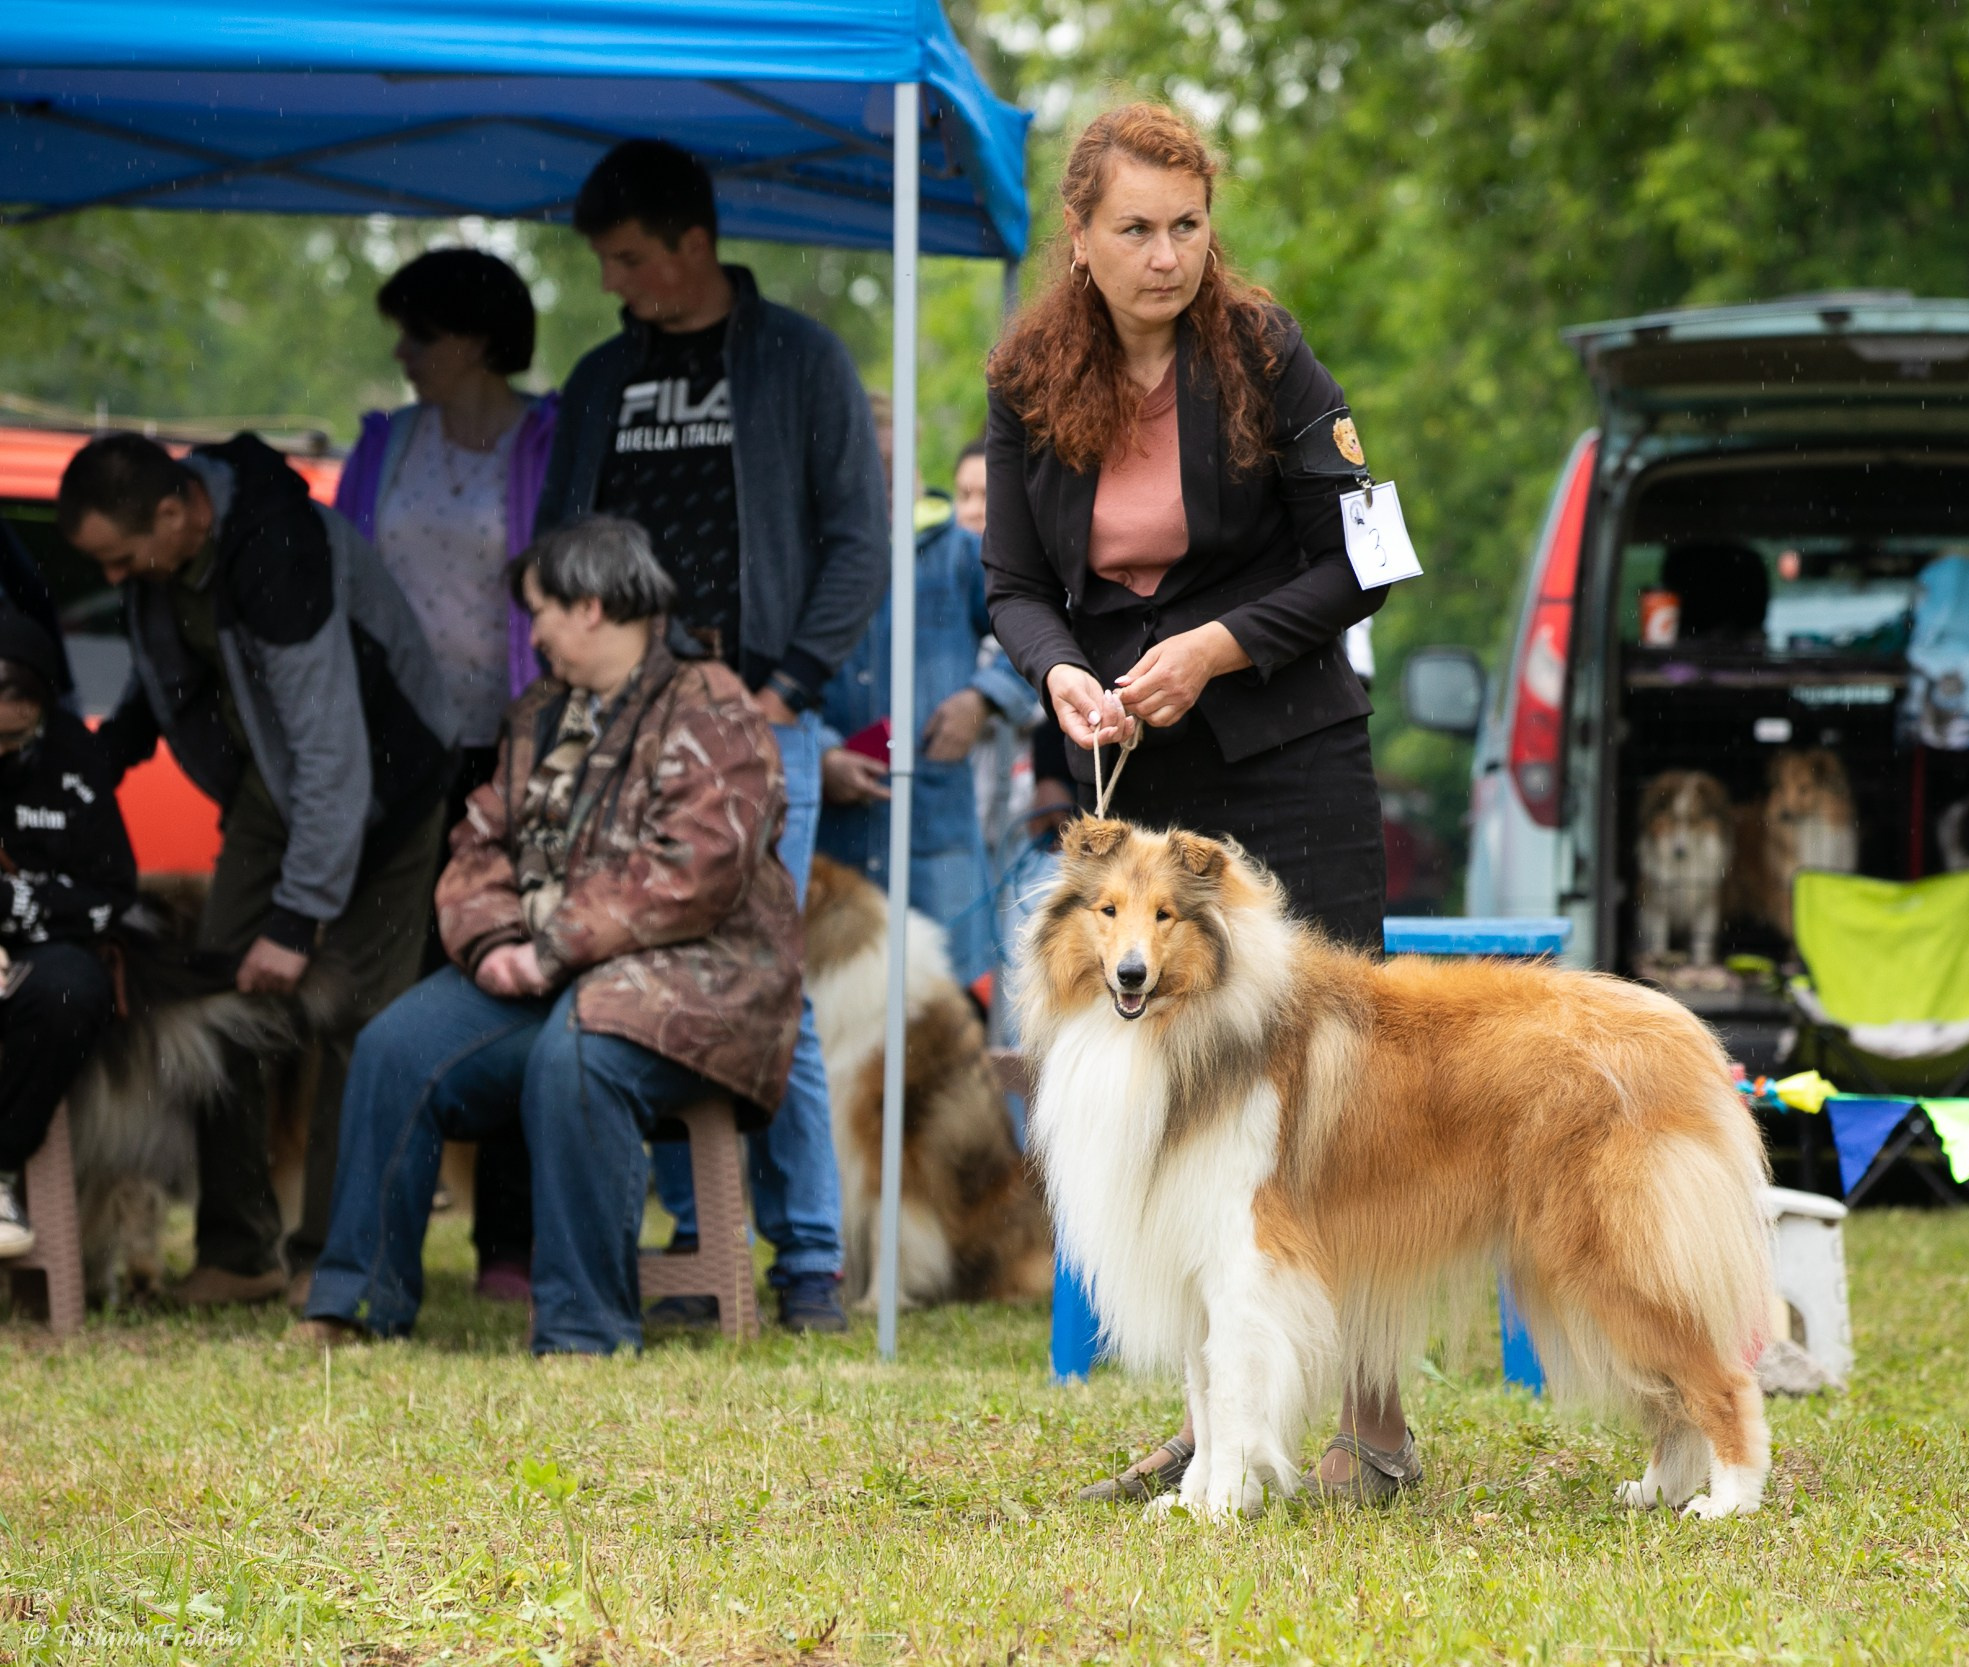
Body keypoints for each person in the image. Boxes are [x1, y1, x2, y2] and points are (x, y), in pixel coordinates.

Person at [981, 103, 1407, 1503]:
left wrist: (1218, 644)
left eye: (1187, 226)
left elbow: (1360, 559)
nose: (1168, 255)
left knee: (1328, 1086)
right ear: (1082, 241)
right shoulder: (1029, 376)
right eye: (1136, 230)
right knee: (1175, 1095)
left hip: (1290, 743)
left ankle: (1374, 1424)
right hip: (1136, 773)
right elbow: (1014, 586)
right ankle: (1216, 1424)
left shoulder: (1269, 355)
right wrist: (1059, 674)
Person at [298, 517, 802, 1354]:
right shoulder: (540, 713)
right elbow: (477, 842)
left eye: (541, 613)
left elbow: (696, 870)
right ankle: (354, 1304)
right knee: (394, 1046)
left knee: (582, 1050)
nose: (532, 634)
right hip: (547, 974)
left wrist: (552, 946)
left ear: (593, 607)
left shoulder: (712, 705)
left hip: (706, 979)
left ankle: (582, 1327)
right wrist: (496, 941)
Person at [538, 137, 887, 1333]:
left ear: (695, 244)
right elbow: (556, 539)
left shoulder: (797, 359)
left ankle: (808, 1264)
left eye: (630, 257)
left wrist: (787, 686)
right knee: (638, 971)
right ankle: (699, 1245)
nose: (613, 281)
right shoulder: (597, 379)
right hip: (618, 730)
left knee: (760, 978)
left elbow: (860, 536)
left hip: (754, 722)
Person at [59, 431, 454, 1307]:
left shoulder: (281, 553)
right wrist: (99, 760)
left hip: (386, 786)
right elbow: (168, 677)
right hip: (274, 789)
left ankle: (342, 1262)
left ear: (174, 512)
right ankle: (240, 1251)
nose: (117, 579)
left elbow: (335, 760)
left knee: (359, 1023)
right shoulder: (166, 562)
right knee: (218, 1000)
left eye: (123, 560)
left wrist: (295, 919)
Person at [333, 245, 560, 1303]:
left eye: (417, 334)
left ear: (471, 338)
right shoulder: (383, 445)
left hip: (513, 749)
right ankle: (372, 1238)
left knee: (512, 976)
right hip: (394, 754)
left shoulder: (545, 440)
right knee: (393, 987)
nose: (402, 354)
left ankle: (508, 1242)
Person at [817, 427, 1040, 984]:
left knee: (939, 1011)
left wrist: (981, 699)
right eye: (869, 461)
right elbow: (767, 678)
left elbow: (1036, 631)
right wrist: (819, 755)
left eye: (897, 462)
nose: (886, 477)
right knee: (834, 1000)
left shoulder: (958, 554)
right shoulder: (811, 561)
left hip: (933, 834)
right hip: (833, 837)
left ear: (917, 470)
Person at [0, 610, 136, 1257]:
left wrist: (19, 906)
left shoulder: (73, 759)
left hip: (41, 954)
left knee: (71, 993)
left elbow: (110, 893)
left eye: (15, 738)